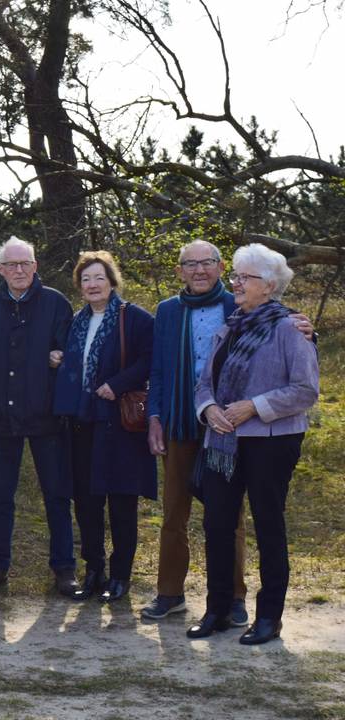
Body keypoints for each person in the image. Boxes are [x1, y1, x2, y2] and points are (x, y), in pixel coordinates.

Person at [141, 241, 314, 622]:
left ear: (220, 268)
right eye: (191, 264)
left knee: (229, 517)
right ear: (179, 271)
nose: (199, 270)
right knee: (177, 513)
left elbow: (295, 362)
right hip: (186, 421)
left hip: (240, 434)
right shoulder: (170, 312)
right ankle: (170, 594)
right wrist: (157, 416)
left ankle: (234, 599)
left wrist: (307, 331)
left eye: (208, 263)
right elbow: (158, 370)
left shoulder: (240, 309)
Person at [187, 244, 318, 645]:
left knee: (268, 524)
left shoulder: (289, 328)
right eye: (237, 276)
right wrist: (208, 408)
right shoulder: (230, 325)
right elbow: (205, 381)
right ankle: (217, 611)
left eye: (245, 277)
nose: (236, 283)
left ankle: (268, 618)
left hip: (271, 442)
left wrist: (254, 407)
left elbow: (305, 389)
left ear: (270, 286)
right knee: (217, 524)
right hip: (222, 439)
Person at [0, 237, 78, 596]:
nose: (18, 270)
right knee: (0, 496)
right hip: (1, 418)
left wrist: (53, 378)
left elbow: (70, 355)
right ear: (0, 269)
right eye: (11, 265)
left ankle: (64, 568)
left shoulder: (57, 304)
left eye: (24, 263)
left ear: (35, 266)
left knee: (57, 494)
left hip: (46, 418)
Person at [52, 251, 156, 603]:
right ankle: (94, 570)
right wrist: (59, 357)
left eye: (99, 278)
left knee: (121, 503)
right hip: (82, 423)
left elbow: (149, 359)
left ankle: (121, 575)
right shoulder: (76, 321)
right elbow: (73, 362)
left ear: (112, 281)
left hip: (120, 426)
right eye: (85, 280)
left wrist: (118, 382)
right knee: (86, 502)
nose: (92, 285)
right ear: (79, 287)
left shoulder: (136, 319)